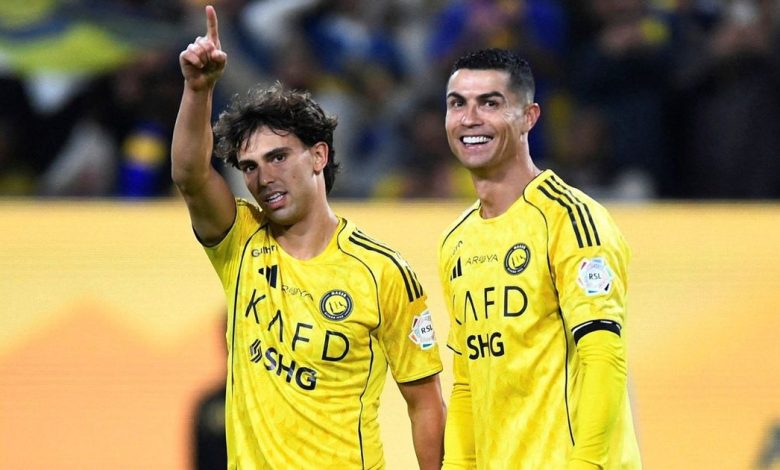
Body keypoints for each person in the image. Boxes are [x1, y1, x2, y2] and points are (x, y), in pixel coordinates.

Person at [171, 6, 446, 469]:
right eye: (250, 167)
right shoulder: (240, 241)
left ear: (318, 156)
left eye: (278, 157)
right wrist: (198, 89)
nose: (263, 177)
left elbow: (425, 404)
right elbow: (190, 177)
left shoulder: (382, 272)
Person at [437, 48, 642, 469]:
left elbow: (603, 356)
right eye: (457, 103)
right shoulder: (457, 241)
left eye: (489, 103)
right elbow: (467, 384)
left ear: (529, 117)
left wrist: (587, 464)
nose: (469, 118)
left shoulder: (571, 220)